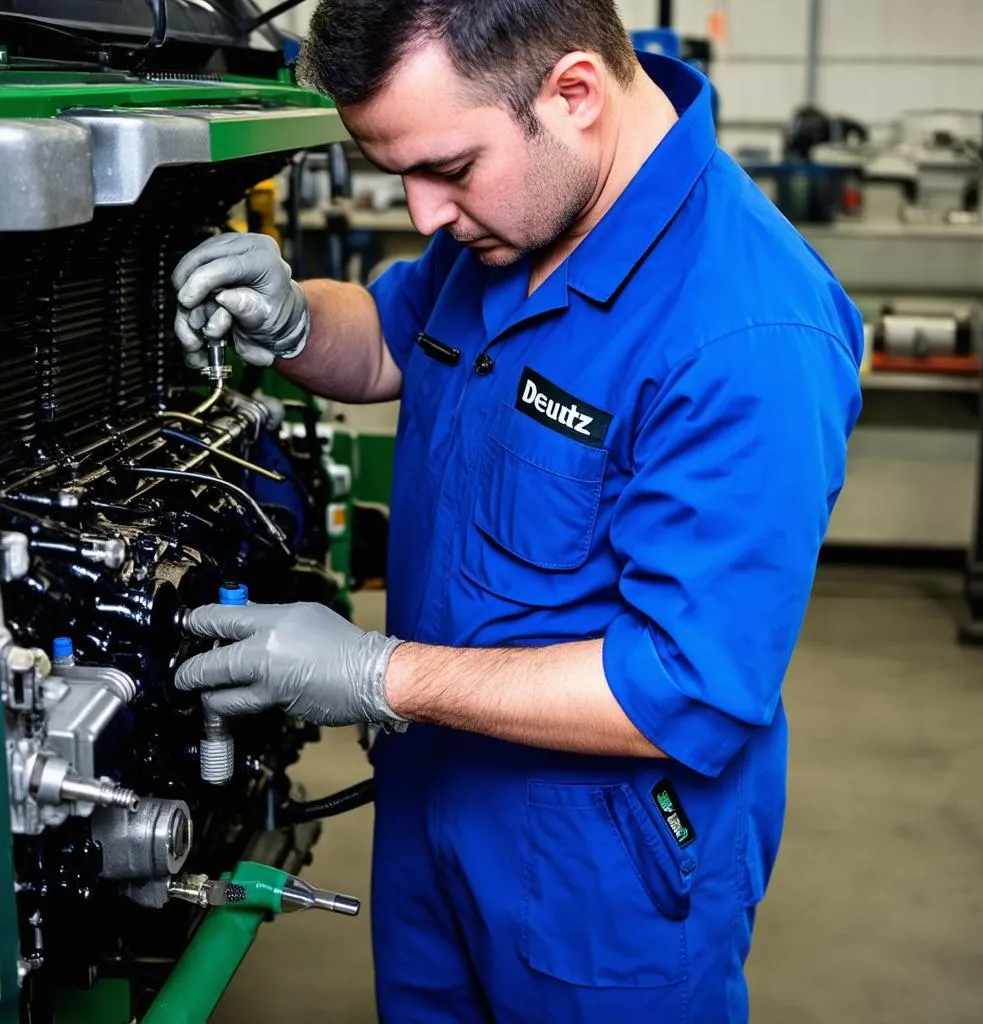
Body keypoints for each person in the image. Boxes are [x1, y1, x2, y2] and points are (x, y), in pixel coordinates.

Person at [172, 1, 864, 1020]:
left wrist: (375, 671)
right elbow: (390, 342)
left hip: (600, 873)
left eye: (447, 169)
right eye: (397, 173)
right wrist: (292, 319)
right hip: (435, 793)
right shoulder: (512, 218)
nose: (423, 215)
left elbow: (685, 684)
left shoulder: (746, 335)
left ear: (572, 93)